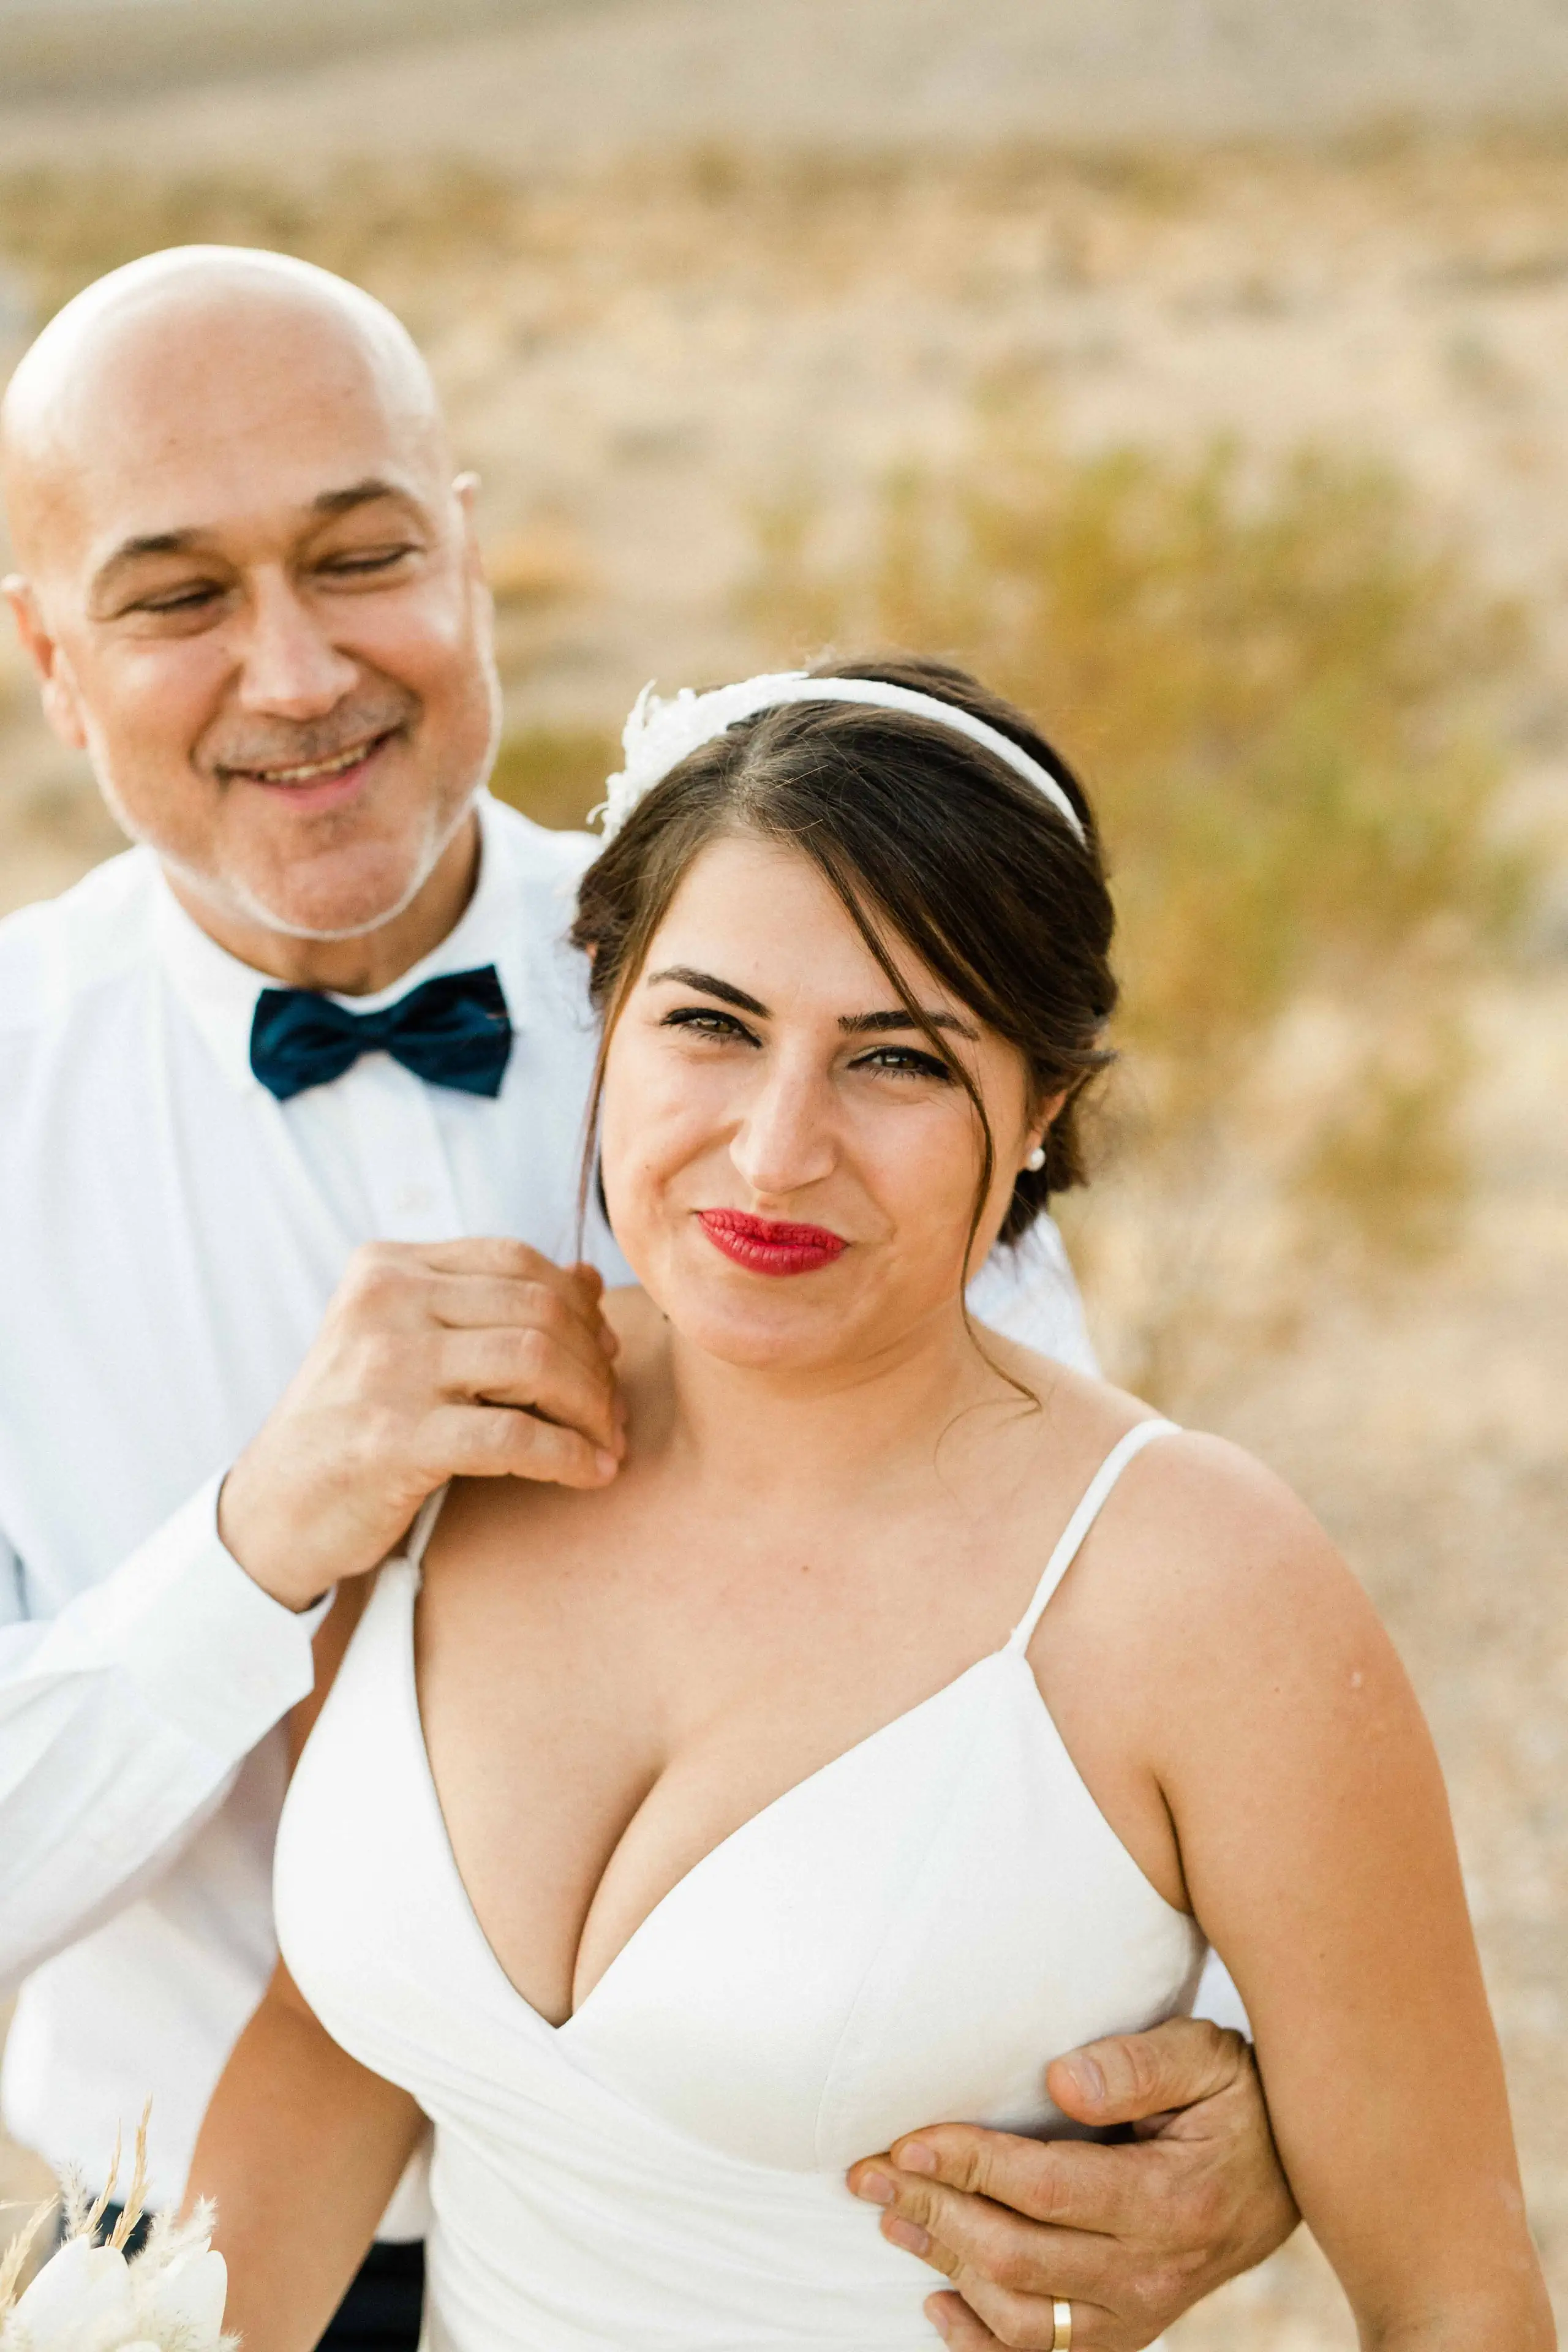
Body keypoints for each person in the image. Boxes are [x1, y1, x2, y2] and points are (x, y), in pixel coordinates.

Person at [0, 247, 1290, 2352]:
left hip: (791, 2255)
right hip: (201, 2271)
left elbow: (1081, 1612)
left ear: (474, 555)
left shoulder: (823, 989)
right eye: (177, 599)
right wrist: (248, 1555)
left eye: (362, 556)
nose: (303, 670)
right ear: (52, 661)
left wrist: (1243, 2078)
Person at [187, 657, 1550, 2352]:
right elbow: (330, 2055)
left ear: (1041, 1109)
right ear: (603, 1013)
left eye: (895, 1059)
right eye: (711, 1023)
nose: (773, 1151)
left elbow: (1459, 2306)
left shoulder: (1199, 1588)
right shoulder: (460, 1437)